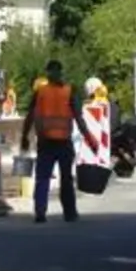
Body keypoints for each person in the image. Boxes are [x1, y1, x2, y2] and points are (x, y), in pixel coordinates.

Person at [19, 59, 97, 223]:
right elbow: (79, 118)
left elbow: (30, 116)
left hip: (47, 142)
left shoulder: (41, 92)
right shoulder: (68, 91)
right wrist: (91, 141)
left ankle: (40, 212)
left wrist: (24, 137)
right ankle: (69, 213)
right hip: (62, 143)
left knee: (43, 179)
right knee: (65, 179)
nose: (54, 74)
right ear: (59, 72)